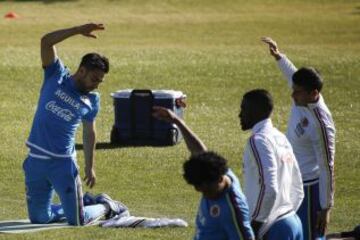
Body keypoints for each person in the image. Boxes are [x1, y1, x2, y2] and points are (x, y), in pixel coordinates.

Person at [23, 23, 126, 226]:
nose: (97, 84)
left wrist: (90, 166)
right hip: (35, 161)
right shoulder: (56, 75)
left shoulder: (92, 100)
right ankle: (81, 201)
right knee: (38, 219)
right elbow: (46, 41)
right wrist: (77, 30)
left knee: (77, 222)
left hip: (63, 164)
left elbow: (89, 133)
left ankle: (106, 206)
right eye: (94, 79)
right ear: (81, 71)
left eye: (100, 81)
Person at [262, 37, 336, 240]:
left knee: (310, 236)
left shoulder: (321, 124)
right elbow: (292, 75)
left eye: (297, 92)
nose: (292, 95)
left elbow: (327, 166)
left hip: (310, 190)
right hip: (290, 181)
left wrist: (325, 207)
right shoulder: (302, 96)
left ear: (314, 93)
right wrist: (279, 57)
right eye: (293, 89)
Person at [152, 106, 255, 240]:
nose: (204, 194)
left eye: (206, 189)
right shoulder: (218, 171)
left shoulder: (233, 208)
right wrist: (176, 120)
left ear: (218, 179)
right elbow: (199, 151)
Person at [239, 89, 304, 239]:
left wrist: (255, 227)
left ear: (255, 111)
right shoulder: (280, 137)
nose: (240, 114)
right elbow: (298, 187)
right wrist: (285, 212)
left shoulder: (258, 140)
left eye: (243, 109)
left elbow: (270, 188)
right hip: (293, 222)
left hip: (274, 229)